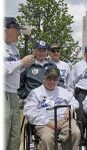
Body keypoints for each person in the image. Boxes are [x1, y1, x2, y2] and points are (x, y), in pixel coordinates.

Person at [24, 67, 81, 150]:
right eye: (49, 78)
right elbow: (29, 112)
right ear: (44, 79)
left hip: (64, 120)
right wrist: (47, 122)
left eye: (55, 79)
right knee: (47, 138)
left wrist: (70, 109)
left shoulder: (63, 91)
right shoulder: (35, 93)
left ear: (58, 80)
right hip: (44, 122)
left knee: (75, 132)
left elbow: (74, 102)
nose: (52, 82)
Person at [4, 17, 34, 150]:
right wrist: (20, 62)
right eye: (16, 30)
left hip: (13, 93)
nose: (19, 33)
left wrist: (25, 65)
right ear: (5, 30)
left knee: (15, 133)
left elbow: (15, 69)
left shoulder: (14, 48)